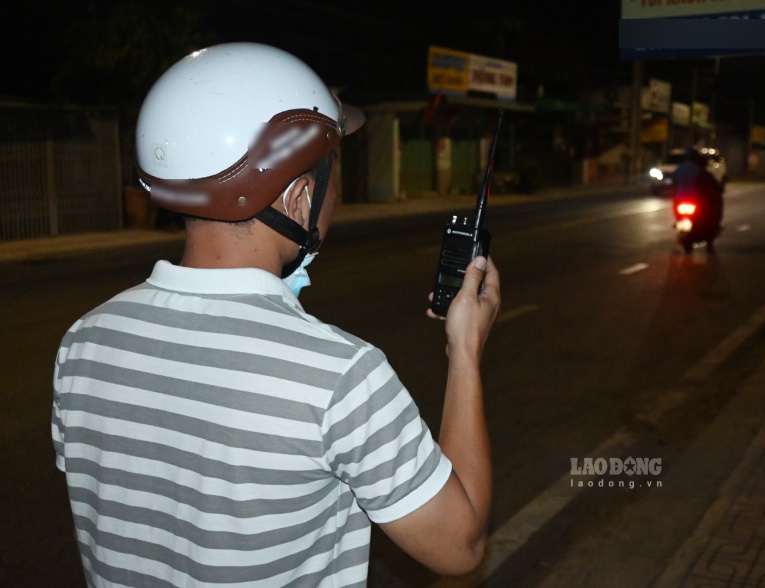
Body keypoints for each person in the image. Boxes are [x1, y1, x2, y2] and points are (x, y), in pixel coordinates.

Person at [51, 42, 501, 587]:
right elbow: (461, 545)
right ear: (297, 199)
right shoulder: (339, 376)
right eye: (330, 177)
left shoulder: (83, 342)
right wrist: (465, 352)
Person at [671, 147, 724, 234]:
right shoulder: (699, 170)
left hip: (681, 199)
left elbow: (674, 186)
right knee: (715, 203)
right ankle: (713, 225)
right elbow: (712, 183)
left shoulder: (679, 170)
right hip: (696, 200)